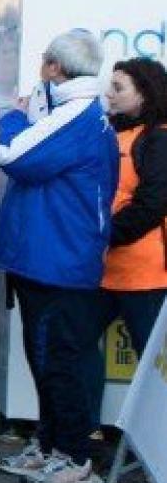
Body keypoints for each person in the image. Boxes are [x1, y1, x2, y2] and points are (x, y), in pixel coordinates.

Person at [0, 30, 118, 483]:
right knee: (46, 357)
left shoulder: (78, 115)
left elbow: (11, 155)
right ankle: (49, 444)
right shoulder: (78, 112)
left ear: (54, 68)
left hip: (58, 258)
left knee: (58, 360)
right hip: (48, 256)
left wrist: (12, 117)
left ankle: (74, 455)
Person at [92, 58, 167, 408]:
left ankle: (153, 452)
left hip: (144, 276)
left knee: (153, 368)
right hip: (103, 271)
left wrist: (105, 235)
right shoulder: (110, 130)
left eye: (119, 87)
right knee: (74, 348)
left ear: (145, 94)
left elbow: (152, 205)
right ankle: (81, 439)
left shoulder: (158, 139)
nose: (109, 93)